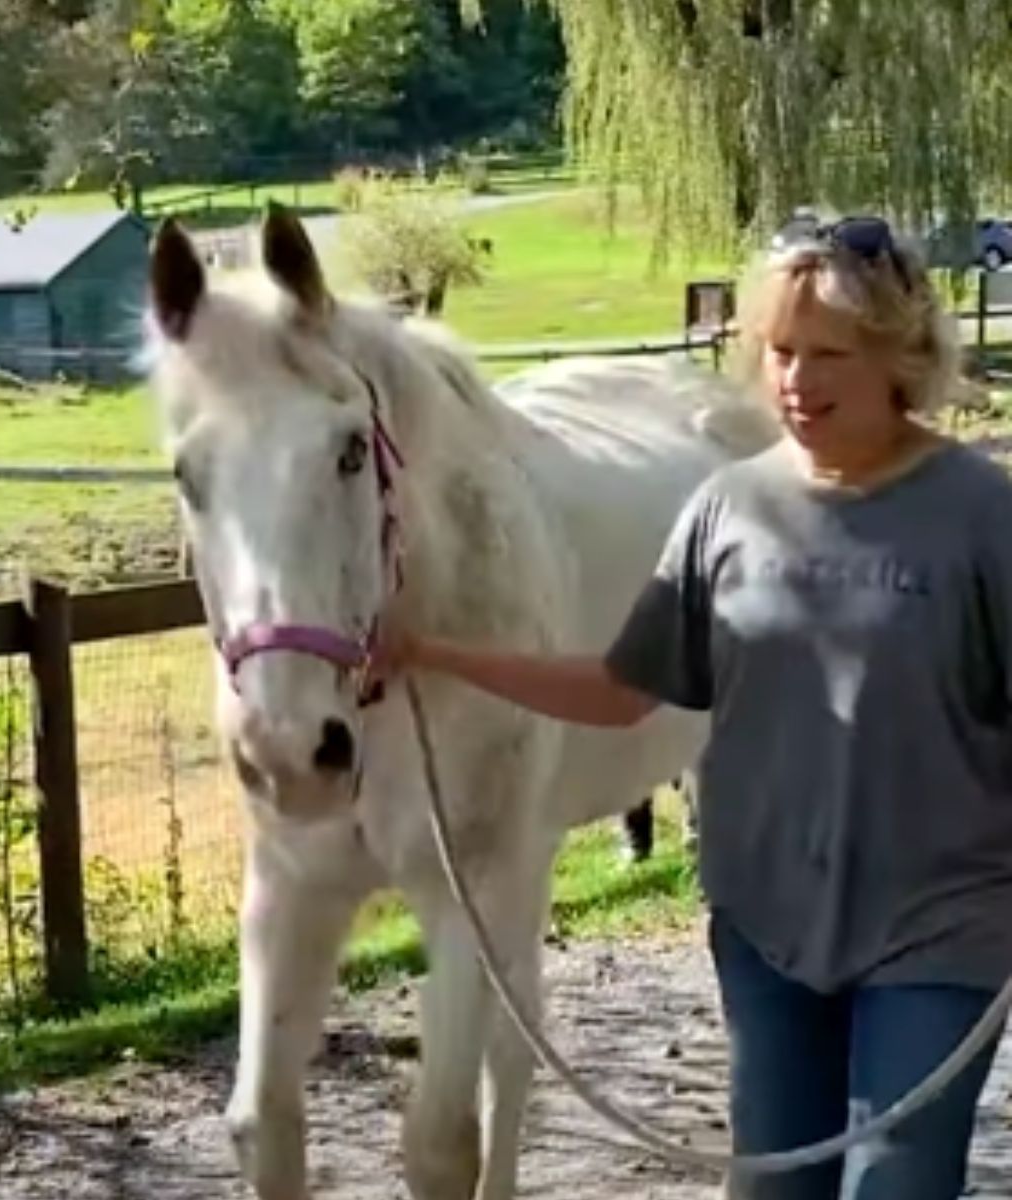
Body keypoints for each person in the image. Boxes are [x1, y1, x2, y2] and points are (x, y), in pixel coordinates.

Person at [374, 217, 1012, 1199]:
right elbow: (623, 689)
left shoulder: (980, 516)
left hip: (939, 931)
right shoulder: (730, 507)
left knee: (893, 1186)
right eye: (781, 352)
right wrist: (433, 653)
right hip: (768, 934)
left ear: (902, 355)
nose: (796, 380)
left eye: (828, 353)